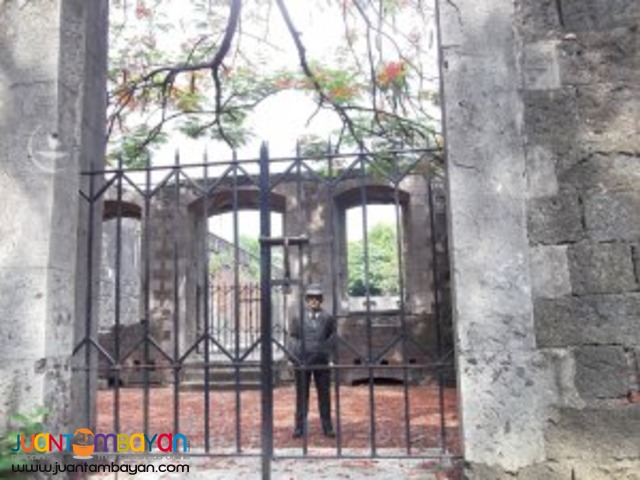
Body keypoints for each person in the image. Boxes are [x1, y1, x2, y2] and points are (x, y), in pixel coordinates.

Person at [288, 283, 336, 439]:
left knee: (324, 394)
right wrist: (292, 358)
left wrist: (331, 358)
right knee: (302, 394)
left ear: (321, 300)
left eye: (316, 298)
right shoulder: (298, 317)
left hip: (321, 361)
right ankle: (299, 427)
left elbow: (331, 339)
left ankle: (327, 426)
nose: (313, 301)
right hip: (302, 361)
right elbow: (293, 338)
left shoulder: (328, 318)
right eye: (310, 298)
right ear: (306, 300)